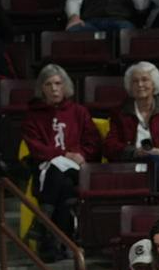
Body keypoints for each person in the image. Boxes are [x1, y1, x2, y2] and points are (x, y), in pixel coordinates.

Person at [21, 64, 100, 249]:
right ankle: (63, 243)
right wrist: (64, 154)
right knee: (61, 182)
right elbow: (35, 147)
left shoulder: (79, 112)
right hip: (46, 167)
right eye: (49, 84)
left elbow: (93, 142)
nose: (54, 88)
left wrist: (82, 155)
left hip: (76, 167)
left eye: (58, 83)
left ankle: (43, 224)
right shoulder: (33, 116)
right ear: (42, 88)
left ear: (65, 86)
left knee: (60, 174)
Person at [102, 61, 159, 167]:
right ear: (130, 87)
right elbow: (109, 146)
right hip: (130, 164)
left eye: (145, 80)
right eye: (135, 81)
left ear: (154, 84)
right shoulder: (119, 112)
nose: (140, 84)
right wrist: (134, 152)